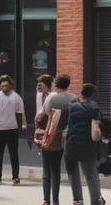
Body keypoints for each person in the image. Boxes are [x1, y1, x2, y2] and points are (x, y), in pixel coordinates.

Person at [39, 73, 78, 205]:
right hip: (67, 136)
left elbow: (41, 115)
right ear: (68, 84)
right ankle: (57, 200)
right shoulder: (74, 99)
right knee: (58, 170)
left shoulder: (50, 98)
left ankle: (46, 199)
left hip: (51, 135)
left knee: (47, 169)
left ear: (56, 84)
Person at [65, 83, 105, 205]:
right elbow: (97, 128)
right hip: (88, 146)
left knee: (73, 174)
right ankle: (96, 200)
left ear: (81, 93)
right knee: (91, 176)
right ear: (92, 95)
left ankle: (78, 200)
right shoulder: (94, 107)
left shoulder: (71, 106)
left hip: (71, 144)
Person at [0, 74, 27, 185]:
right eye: (2, 86)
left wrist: (22, 126)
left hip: (12, 128)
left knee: (13, 153)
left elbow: (20, 112)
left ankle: (15, 176)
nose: (4, 88)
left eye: (6, 86)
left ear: (10, 85)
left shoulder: (16, 97)